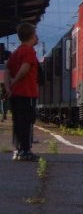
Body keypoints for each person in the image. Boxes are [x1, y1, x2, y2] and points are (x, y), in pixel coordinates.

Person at [5, 22, 40, 161]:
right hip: (27, 93)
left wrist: (9, 88)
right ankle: (26, 150)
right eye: (36, 35)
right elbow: (25, 68)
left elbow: (7, 72)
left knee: (18, 122)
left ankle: (19, 150)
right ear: (31, 36)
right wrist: (15, 81)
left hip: (15, 94)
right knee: (27, 122)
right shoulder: (28, 51)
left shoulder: (15, 53)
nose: (37, 38)